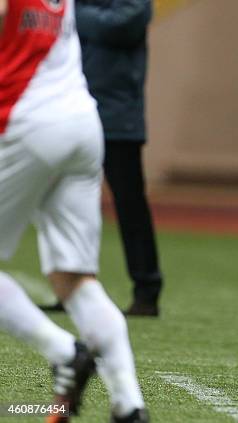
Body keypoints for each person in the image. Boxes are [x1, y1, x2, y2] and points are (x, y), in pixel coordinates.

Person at [0, 1, 148, 421]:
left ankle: (63, 353)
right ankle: (129, 404)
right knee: (75, 279)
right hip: (82, 123)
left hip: (26, 122)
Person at [40, 0, 163, 316]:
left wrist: (70, 13)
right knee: (67, 201)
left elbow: (122, 25)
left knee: (129, 203)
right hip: (73, 108)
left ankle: (147, 290)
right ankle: (71, 283)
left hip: (116, 116)